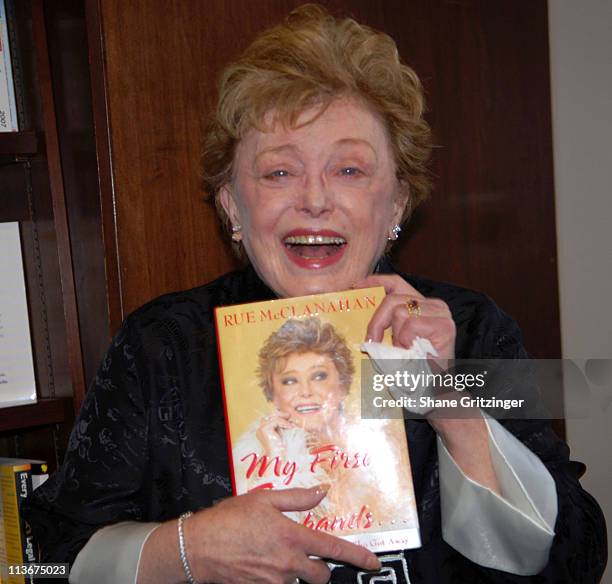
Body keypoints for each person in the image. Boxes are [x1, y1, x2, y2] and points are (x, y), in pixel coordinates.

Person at [23, 5, 606, 584]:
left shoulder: (473, 329)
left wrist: (451, 404)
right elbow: (40, 561)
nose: (316, 199)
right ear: (231, 204)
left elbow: (578, 558)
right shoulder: (163, 345)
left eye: (349, 170)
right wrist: (186, 549)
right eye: (279, 172)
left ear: (397, 203)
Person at [233, 317, 417, 537]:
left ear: (342, 384)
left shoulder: (387, 444)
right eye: (290, 380)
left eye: (319, 376)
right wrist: (275, 461)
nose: (306, 392)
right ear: (272, 394)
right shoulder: (251, 460)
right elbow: (264, 541)